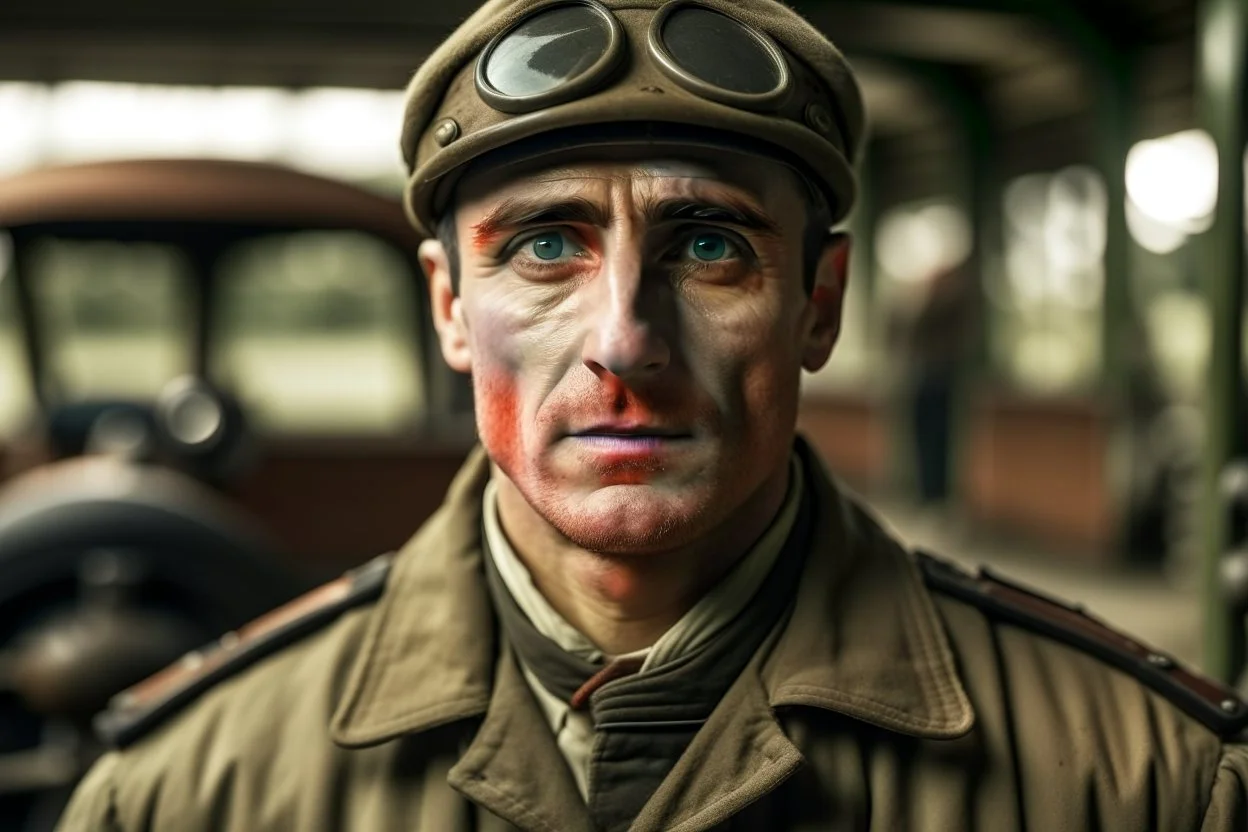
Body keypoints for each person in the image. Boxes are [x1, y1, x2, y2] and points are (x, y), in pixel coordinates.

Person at [58, 1, 1247, 829]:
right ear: (451, 310)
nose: (626, 339)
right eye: (543, 247)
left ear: (817, 305)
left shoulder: (1145, 782)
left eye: (714, 245)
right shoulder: (185, 788)